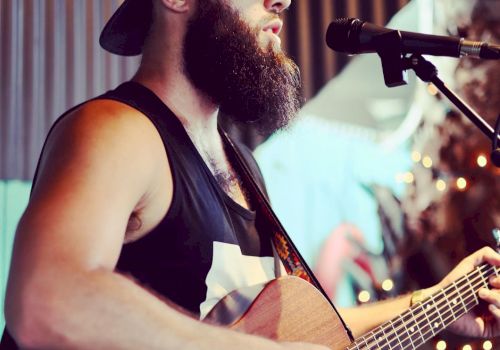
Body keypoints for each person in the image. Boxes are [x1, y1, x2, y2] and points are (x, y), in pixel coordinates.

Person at [2, 0, 500, 349]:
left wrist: (434, 305)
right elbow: (44, 299)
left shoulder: (243, 166)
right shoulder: (118, 130)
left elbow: (297, 335)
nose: (282, 1)